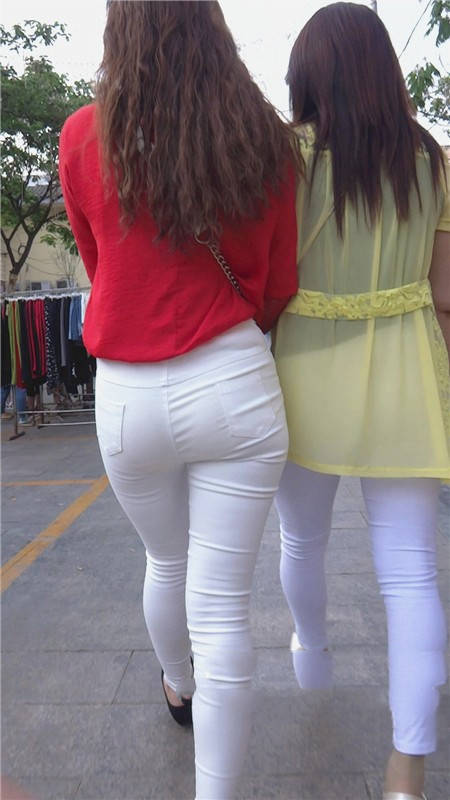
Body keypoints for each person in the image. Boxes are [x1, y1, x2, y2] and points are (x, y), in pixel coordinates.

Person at [59, 2, 299, 797]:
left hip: (128, 393)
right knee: (223, 607)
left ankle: (177, 684)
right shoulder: (262, 136)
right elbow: (280, 281)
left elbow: (102, 267)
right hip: (233, 377)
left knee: (166, 559)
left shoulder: (84, 137)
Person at [273, 4, 449, 800]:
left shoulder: (285, 157)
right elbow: (445, 296)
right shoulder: (432, 161)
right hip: (404, 372)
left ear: (307, 74)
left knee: (301, 541)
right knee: (410, 574)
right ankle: (407, 771)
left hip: (301, 374)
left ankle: (312, 655)